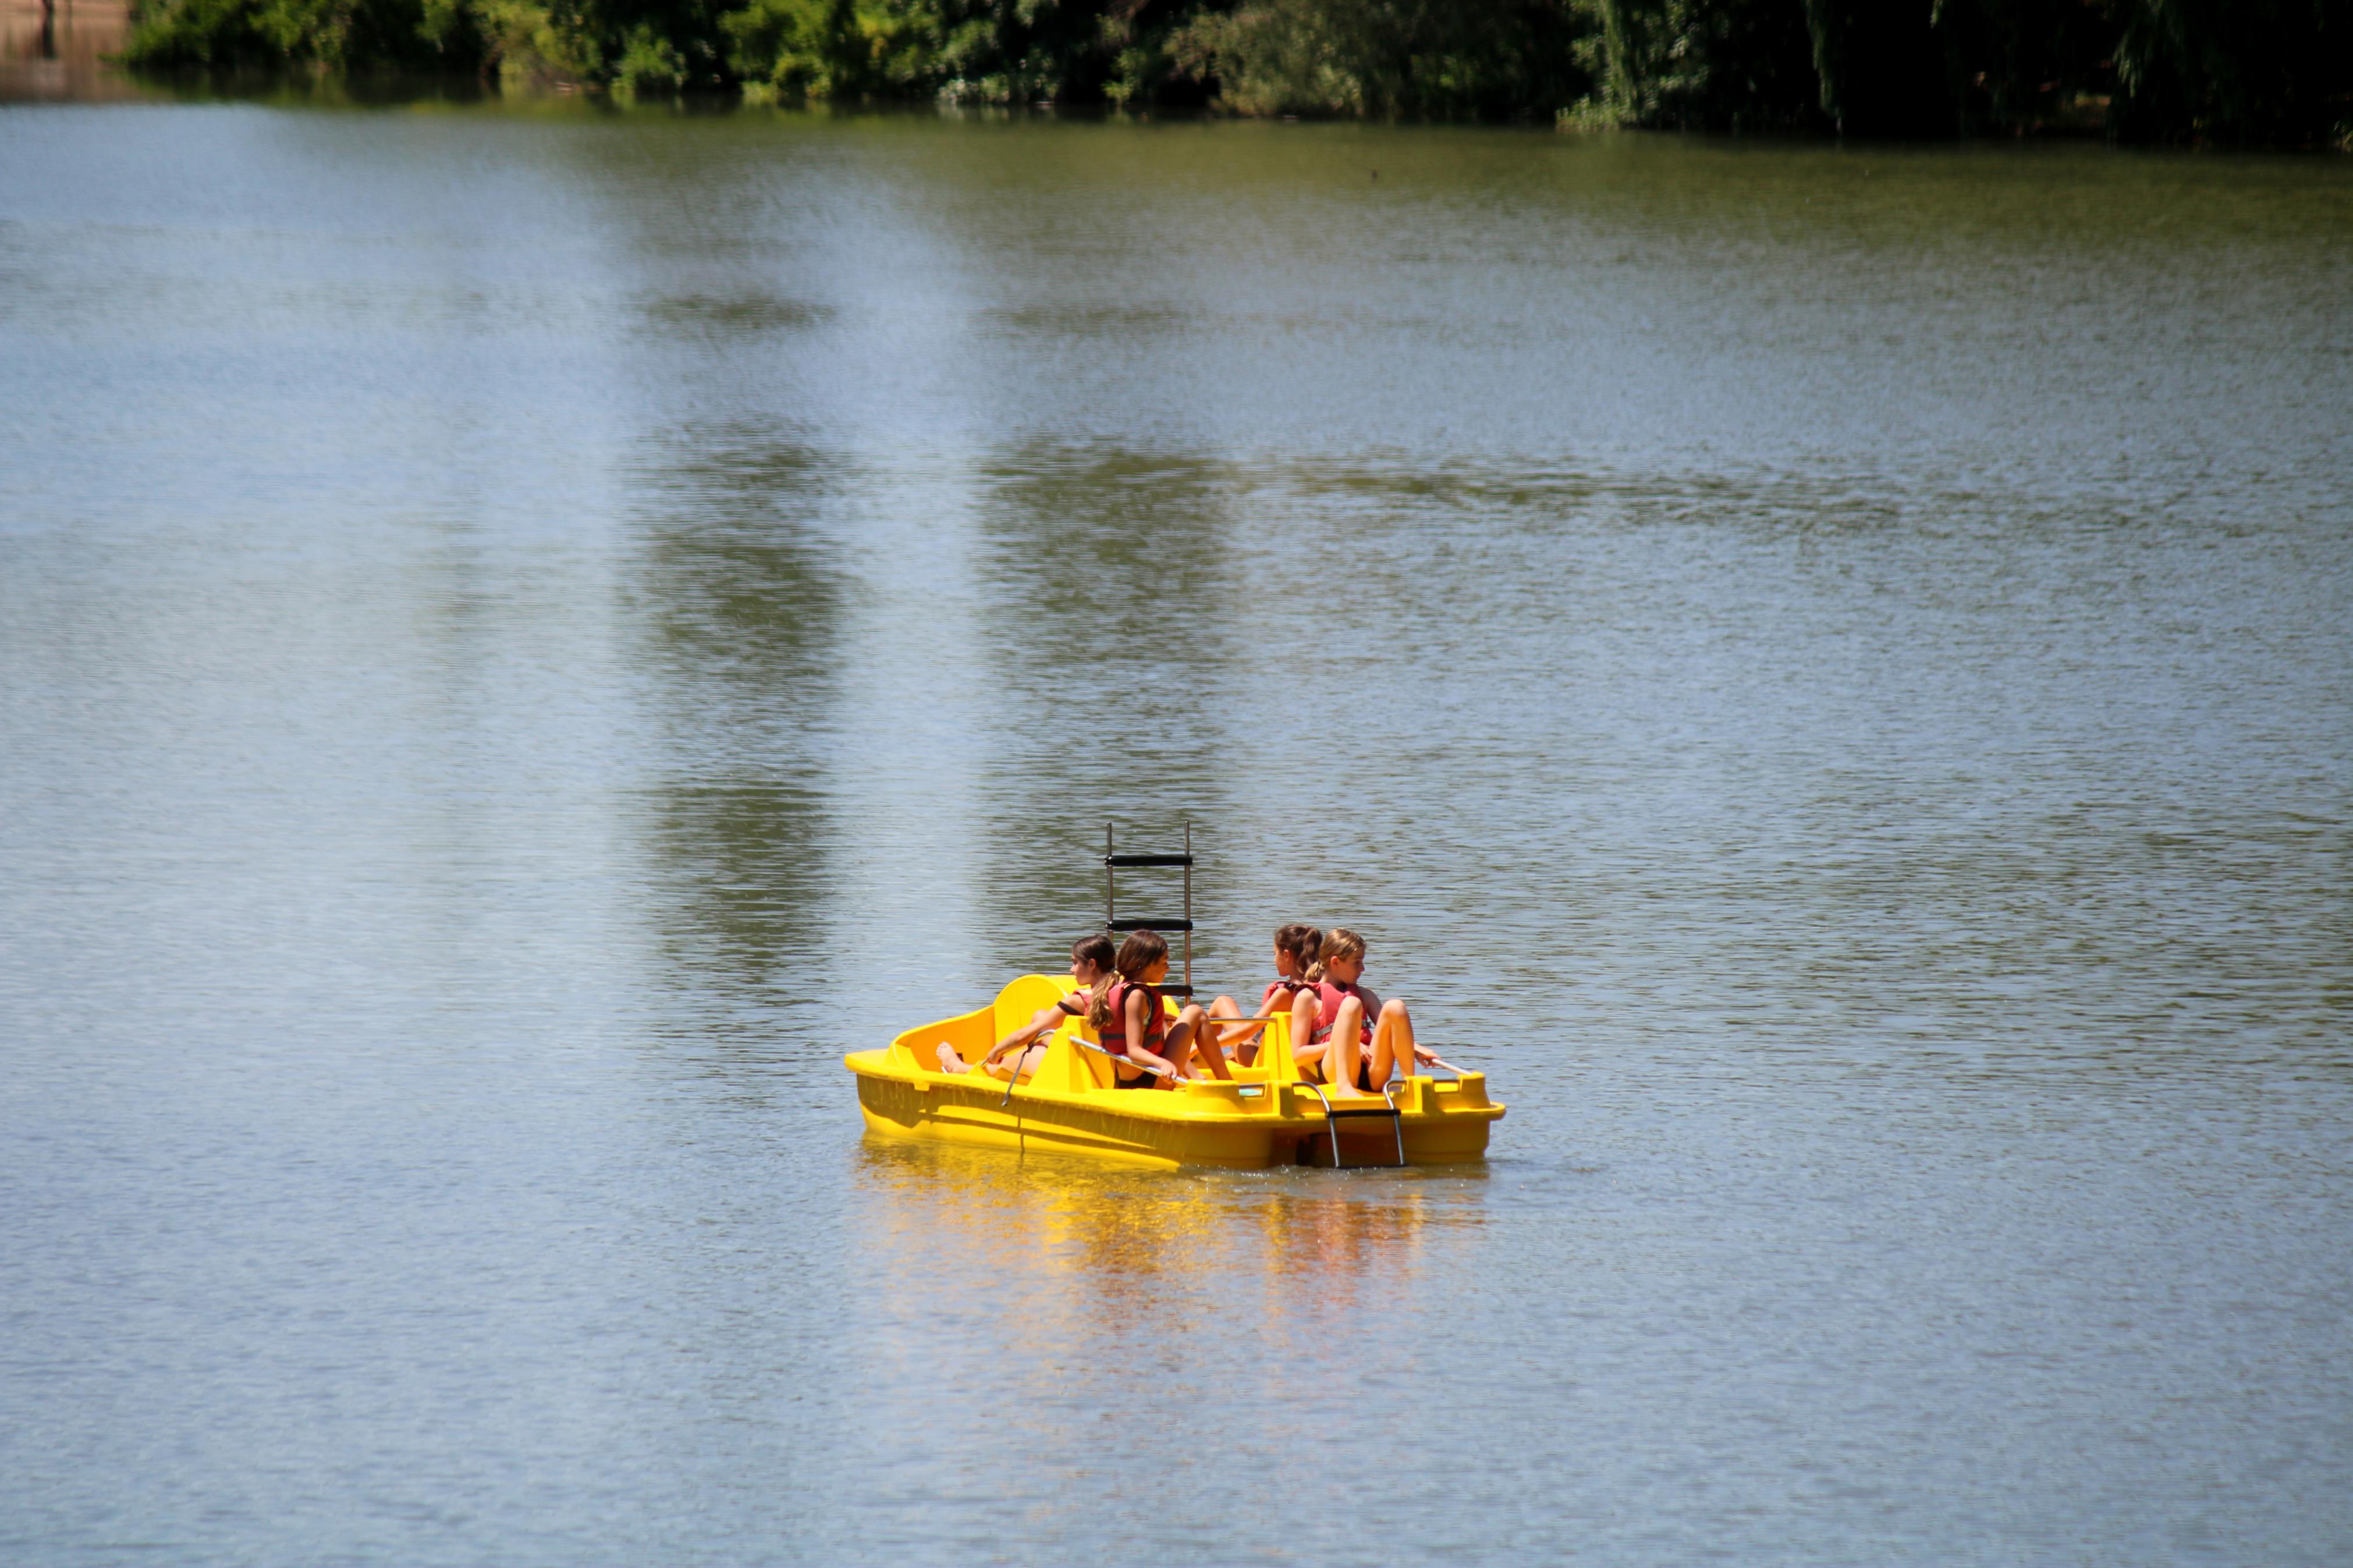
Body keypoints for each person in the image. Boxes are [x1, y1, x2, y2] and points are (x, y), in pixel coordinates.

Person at [936, 933, 1117, 1083]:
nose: (1072, 970)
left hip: (1084, 1068)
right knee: (1040, 1017)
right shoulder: (1121, 990)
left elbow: (1026, 1034)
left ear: (1092, 964)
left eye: (1075, 963)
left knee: (1036, 1049)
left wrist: (998, 1050)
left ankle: (960, 1068)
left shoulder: (1079, 1001)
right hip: (1106, 1061)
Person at [1303, 927, 1435, 1096]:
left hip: (1372, 1072)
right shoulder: (1308, 998)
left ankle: (1410, 1084)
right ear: (1335, 962)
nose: (1362, 969)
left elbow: (1393, 1031)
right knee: (1351, 1004)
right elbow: (1298, 1055)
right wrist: (1349, 1044)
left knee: (1396, 1007)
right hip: (1335, 1072)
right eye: (1356, 962)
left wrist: (1417, 1050)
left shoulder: (1366, 995)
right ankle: (1344, 1088)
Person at [1095, 929, 1231, 1088]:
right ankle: (1228, 1083)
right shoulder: (1136, 996)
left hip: (1142, 1076)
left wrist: (1162, 1017)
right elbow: (1134, 1051)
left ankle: (1203, 1078)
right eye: (1164, 962)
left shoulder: (1125, 989)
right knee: (1195, 1012)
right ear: (1147, 966)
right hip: (1145, 1081)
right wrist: (1163, 1063)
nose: (1168, 968)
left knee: (1176, 1019)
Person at [1198, 923, 1323, 1069]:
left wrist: (1205, 1045)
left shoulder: (1285, 994)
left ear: (1287, 955)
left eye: (1275, 953)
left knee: (1222, 1002)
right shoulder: (1321, 988)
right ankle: (1209, 1055)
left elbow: (1245, 1033)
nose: (1274, 960)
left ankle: (1199, 1053)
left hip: (1265, 1063)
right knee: (1229, 1056)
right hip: (1300, 1062)